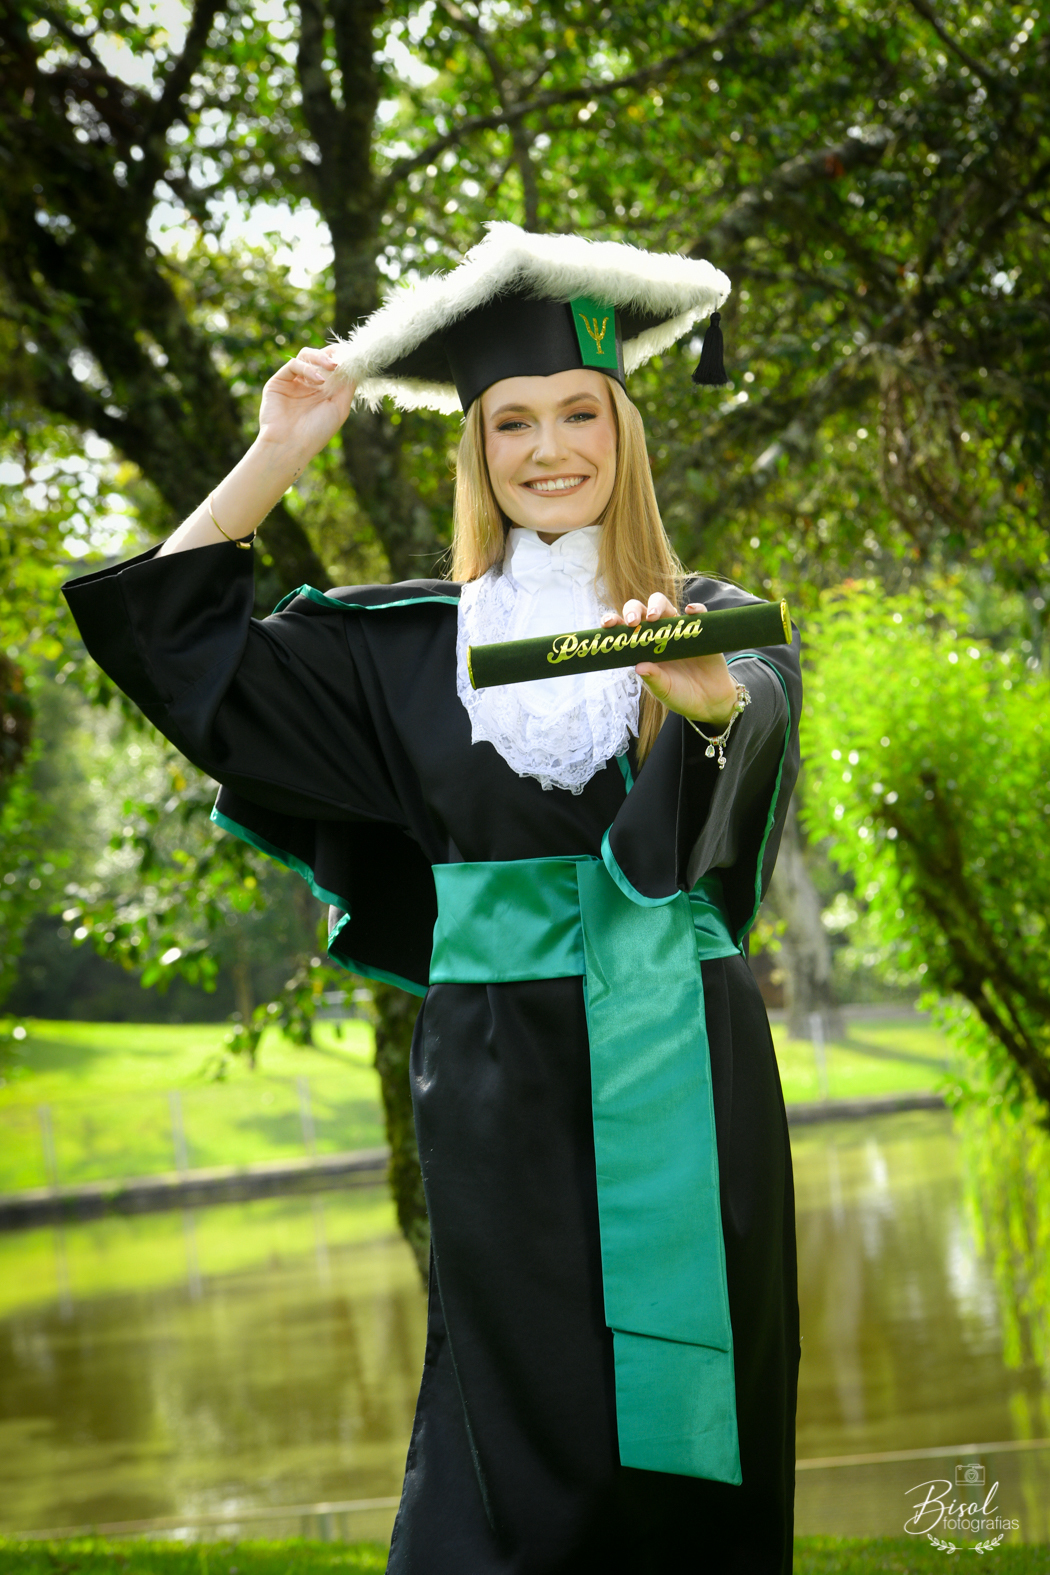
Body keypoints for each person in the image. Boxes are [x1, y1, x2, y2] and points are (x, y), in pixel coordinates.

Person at [64, 223, 802, 1574]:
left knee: (699, 1415)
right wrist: (276, 452)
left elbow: (740, 769)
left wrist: (701, 715)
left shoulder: (714, 622)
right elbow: (179, 646)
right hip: (495, 1069)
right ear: (476, 448)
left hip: (685, 1056)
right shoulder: (402, 650)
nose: (547, 448)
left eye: (579, 413)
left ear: (624, 431)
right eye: (511, 421)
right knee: (515, 1410)